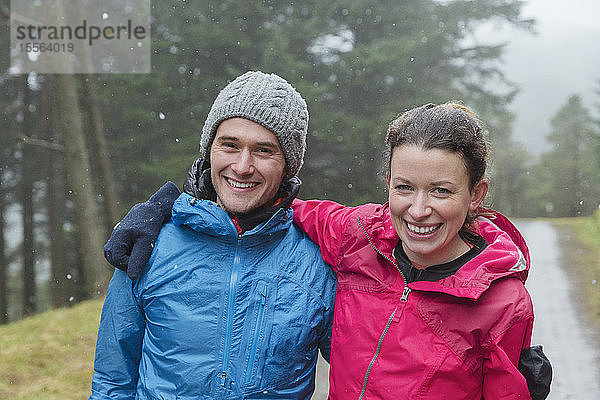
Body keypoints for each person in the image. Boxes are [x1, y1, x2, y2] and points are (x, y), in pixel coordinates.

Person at [105, 102, 552, 399]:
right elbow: (277, 203)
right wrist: (166, 208)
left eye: (441, 190)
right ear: (387, 187)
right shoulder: (356, 238)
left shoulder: (503, 302)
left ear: (476, 195)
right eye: (404, 187)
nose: (419, 209)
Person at [89, 71, 337, 400]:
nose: (242, 166)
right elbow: (112, 381)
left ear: (288, 166)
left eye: (263, 151)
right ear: (209, 151)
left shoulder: (318, 261)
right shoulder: (148, 245)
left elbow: (366, 377)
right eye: (229, 145)